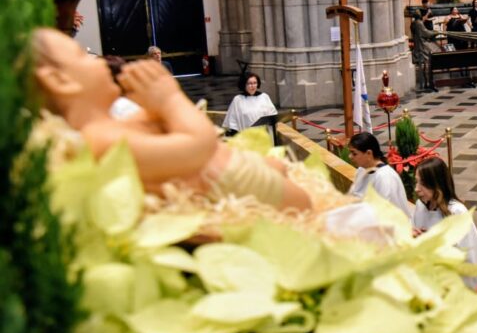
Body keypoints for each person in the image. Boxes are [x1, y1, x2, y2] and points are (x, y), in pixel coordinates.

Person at [32, 28, 312, 211]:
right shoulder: (101, 140)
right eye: (82, 55)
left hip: (236, 173)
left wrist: (152, 106)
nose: (97, 60)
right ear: (60, 81)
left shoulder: (111, 127)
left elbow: (161, 131)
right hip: (238, 186)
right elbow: (197, 147)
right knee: (305, 203)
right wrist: (169, 98)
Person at [413, 158, 477, 286]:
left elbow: (470, 255)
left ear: (436, 184)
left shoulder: (456, 212)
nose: (417, 189)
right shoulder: (420, 207)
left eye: (422, 184)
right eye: (416, 182)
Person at [348, 132, 413, 218]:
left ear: (369, 154)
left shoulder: (385, 176)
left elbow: (381, 212)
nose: (350, 156)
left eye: (354, 153)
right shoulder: (361, 171)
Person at [411, 11, 440, 92]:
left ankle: (427, 82)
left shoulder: (413, 23)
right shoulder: (419, 23)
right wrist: (434, 32)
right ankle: (428, 82)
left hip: (418, 44)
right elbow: (426, 33)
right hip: (422, 45)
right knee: (429, 60)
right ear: (419, 15)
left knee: (426, 63)